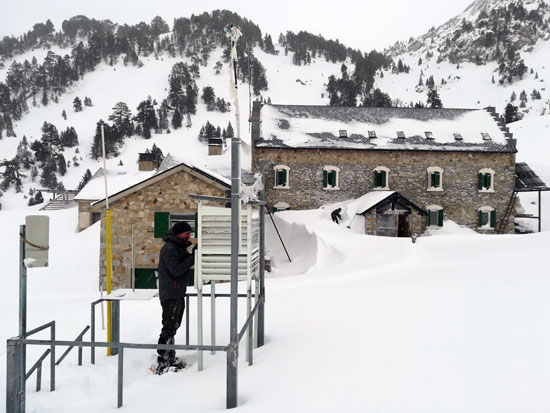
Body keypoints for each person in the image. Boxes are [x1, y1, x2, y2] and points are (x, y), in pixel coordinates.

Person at [156, 221, 195, 370]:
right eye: (186, 234)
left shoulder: (177, 247)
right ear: (179, 234)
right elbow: (176, 270)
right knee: (169, 326)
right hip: (171, 294)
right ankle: (163, 359)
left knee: (173, 325)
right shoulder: (170, 249)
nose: (188, 236)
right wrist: (192, 257)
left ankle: (169, 357)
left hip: (176, 292)